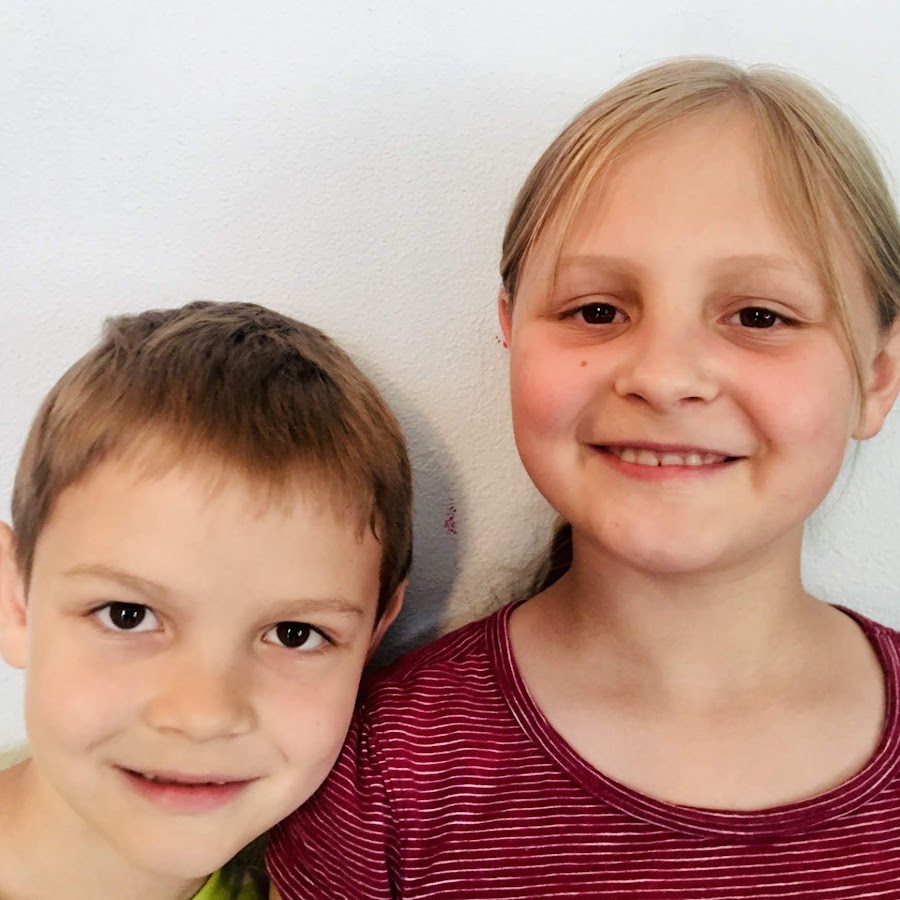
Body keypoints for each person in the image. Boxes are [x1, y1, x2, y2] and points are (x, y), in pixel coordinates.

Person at [267, 58, 900, 898]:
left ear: (877, 375)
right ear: (510, 329)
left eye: (759, 316)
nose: (664, 377)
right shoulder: (376, 776)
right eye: (597, 310)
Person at [0, 300, 411, 899]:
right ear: (16, 601)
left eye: (294, 634)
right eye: (127, 616)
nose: (204, 716)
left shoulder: (324, 873)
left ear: (373, 637)